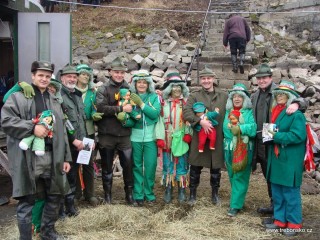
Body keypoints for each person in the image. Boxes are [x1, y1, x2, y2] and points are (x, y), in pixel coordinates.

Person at [1, 61, 71, 239]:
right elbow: (6, 121)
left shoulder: (54, 100)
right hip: (27, 157)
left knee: (55, 195)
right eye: (40, 75)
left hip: (53, 156)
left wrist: (66, 158)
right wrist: (31, 128)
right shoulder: (18, 97)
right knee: (27, 199)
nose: (44, 79)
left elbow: (62, 131)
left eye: (47, 76)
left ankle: (48, 232)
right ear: (32, 76)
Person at [251, 63, 308, 223]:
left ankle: (286, 216)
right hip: (263, 143)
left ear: (271, 78)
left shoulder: (287, 101)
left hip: (278, 146)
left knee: (285, 184)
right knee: (272, 178)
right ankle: (278, 213)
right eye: (259, 78)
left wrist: (298, 104)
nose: (262, 81)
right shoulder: (255, 96)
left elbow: (301, 102)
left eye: (264, 78)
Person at [264, 80, 306, 237]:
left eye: (283, 94)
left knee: (290, 192)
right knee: (277, 192)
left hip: (289, 160)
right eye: (278, 94)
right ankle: (280, 220)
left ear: (290, 97)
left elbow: (298, 135)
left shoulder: (297, 115)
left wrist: (275, 136)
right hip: (277, 158)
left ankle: (294, 223)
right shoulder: (278, 111)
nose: (280, 96)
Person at [183, 66, 228, 205]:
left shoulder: (224, 96)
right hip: (199, 138)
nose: (206, 81)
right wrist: (200, 121)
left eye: (208, 78)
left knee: (216, 169)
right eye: (203, 78)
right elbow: (187, 112)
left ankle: (215, 194)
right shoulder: (194, 95)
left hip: (217, 137)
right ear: (200, 80)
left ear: (213, 79)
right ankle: (192, 194)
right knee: (195, 167)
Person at [95, 57, 135, 205]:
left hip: (124, 134)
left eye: (121, 72)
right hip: (107, 135)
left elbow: (134, 105)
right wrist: (120, 109)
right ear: (110, 72)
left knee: (128, 166)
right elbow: (100, 108)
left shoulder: (129, 88)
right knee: (106, 167)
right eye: (116, 72)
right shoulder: (103, 88)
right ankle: (107, 197)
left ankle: (129, 196)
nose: (119, 75)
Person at [121, 69, 161, 206]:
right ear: (135, 84)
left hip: (150, 138)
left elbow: (155, 114)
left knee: (150, 166)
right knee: (136, 166)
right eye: (139, 82)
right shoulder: (129, 96)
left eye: (145, 82)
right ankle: (138, 194)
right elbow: (127, 113)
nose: (142, 85)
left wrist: (142, 104)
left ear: (149, 84)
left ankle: (149, 193)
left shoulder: (154, 97)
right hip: (134, 137)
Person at [155, 72, 191, 204]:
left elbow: (189, 119)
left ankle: (182, 190)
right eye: (174, 87)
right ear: (169, 89)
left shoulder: (187, 102)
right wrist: (160, 137)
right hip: (167, 138)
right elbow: (159, 121)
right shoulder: (162, 103)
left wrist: (188, 133)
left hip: (181, 138)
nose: (176, 89)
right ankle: (168, 189)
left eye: (179, 87)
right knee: (168, 164)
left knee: (182, 163)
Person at [222, 83, 256, 217]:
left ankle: (235, 205)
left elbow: (253, 128)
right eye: (234, 96)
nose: (236, 99)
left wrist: (241, 129)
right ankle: (238, 200)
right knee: (231, 174)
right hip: (228, 147)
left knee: (240, 176)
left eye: (239, 96)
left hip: (243, 147)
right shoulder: (227, 112)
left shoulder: (249, 113)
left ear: (244, 99)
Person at [59, 65, 87, 216]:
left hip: (78, 144)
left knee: (73, 176)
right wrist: (74, 140)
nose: (72, 79)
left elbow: (80, 121)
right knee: (63, 176)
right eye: (69, 76)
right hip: (65, 145)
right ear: (62, 78)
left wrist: (84, 140)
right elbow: (64, 122)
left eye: (74, 77)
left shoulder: (77, 95)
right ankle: (61, 210)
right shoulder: (58, 95)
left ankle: (70, 207)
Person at [74, 64, 103, 206]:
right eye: (83, 74)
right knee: (74, 163)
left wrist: (94, 114)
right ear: (77, 75)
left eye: (88, 75)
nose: (86, 76)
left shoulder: (92, 92)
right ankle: (76, 192)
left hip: (88, 131)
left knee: (87, 162)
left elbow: (93, 109)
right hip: (74, 132)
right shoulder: (70, 91)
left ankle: (90, 194)